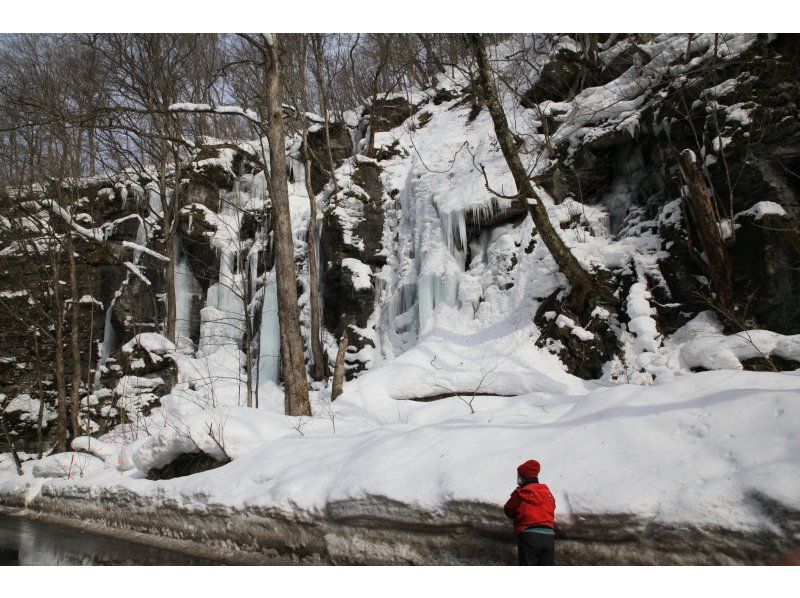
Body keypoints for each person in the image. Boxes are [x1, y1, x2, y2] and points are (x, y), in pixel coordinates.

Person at [503, 459, 556, 565]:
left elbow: (508, 510)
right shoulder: (547, 493)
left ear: (522, 477)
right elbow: (552, 506)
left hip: (529, 536)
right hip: (549, 537)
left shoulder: (520, 494)